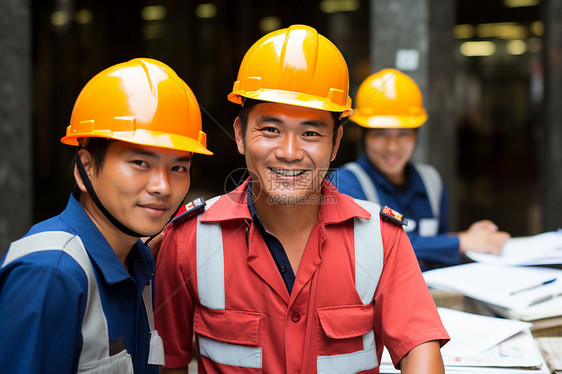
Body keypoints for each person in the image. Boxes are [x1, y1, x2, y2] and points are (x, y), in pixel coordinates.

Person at [154, 25, 449, 374]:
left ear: (336, 143)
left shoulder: (382, 240)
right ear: (239, 134)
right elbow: (168, 363)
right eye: (270, 129)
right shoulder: (188, 241)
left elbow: (420, 348)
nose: (290, 152)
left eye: (310, 133)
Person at [0, 58, 212, 373]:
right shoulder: (51, 274)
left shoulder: (141, 265)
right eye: (140, 162)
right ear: (85, 168)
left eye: (178, 167)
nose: (163, 186)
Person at [332, 68, 510, 271]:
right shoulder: (345, 185)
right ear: (361, 134)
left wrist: (473, 238)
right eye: (381, 134)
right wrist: (462, 241)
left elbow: (437, 243)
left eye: (403, 134)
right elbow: (384, 246)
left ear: (416, 134)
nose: (393, 147)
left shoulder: (430, 182)